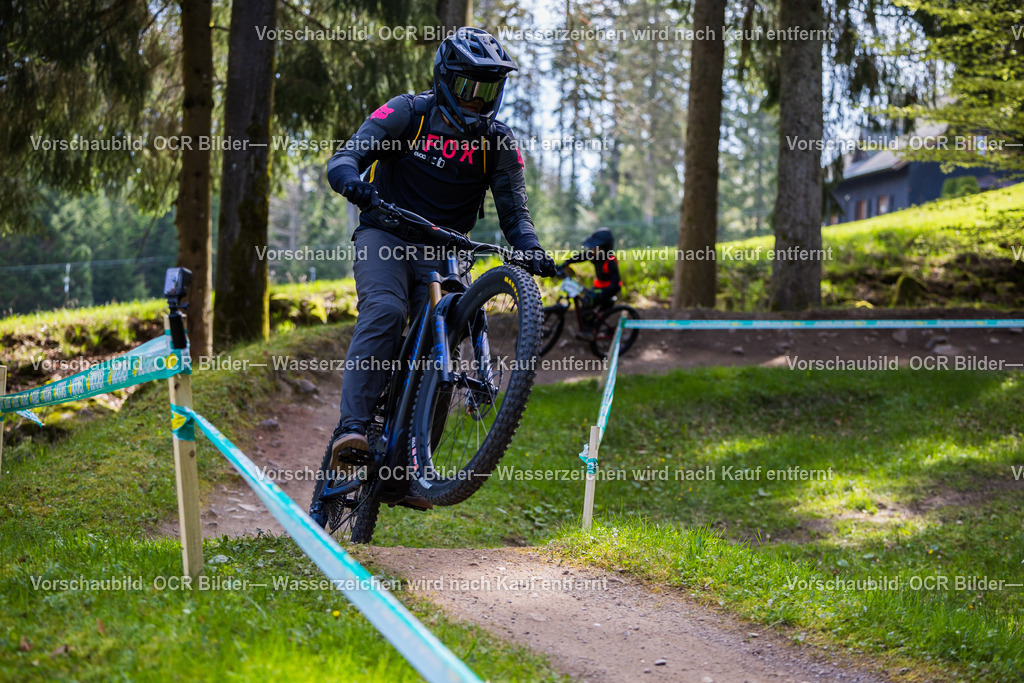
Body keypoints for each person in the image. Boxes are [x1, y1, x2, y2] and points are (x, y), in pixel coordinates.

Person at [312, 27, 556, 523]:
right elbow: (347, 155)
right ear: (446, 79)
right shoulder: (409, 113)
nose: (478, 100)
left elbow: (516, 215)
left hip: (446, 250)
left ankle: (410, 469)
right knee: (385, 310)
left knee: (445, 347)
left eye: (489, 90)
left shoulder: (497, 141)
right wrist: (353, 182)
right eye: (470, 87)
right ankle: (352, 430)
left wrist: (530, 249)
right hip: (386, 233)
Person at [558, 228, 622, 338]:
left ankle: (589, 330)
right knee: (586, 299)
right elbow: (581, 257)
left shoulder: (610, 261)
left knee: (588, 303)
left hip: (609, 289)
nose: (591, 250)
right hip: (598, 286)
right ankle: (590, 323)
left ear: (604, 248)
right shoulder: (595, 255)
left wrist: (603, 292)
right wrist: (566, 263)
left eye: (595, 248)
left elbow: (616, 284)